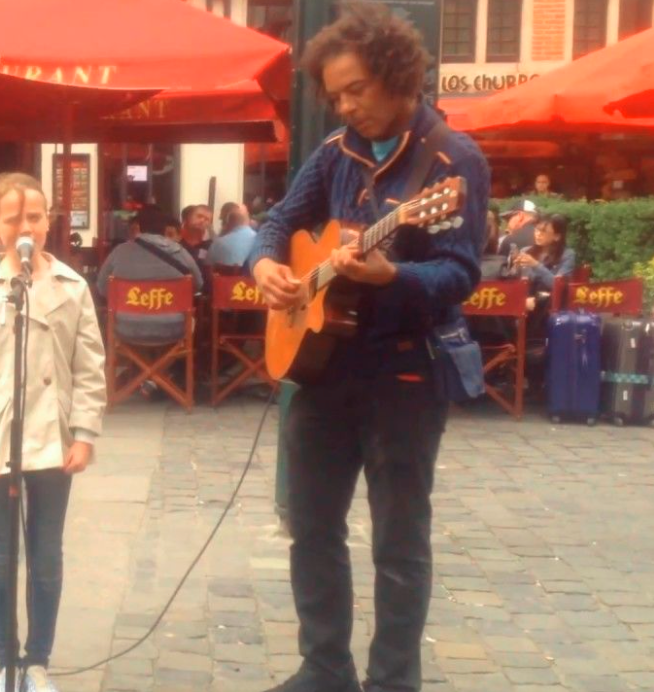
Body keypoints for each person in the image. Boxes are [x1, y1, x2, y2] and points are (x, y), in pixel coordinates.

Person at [248, 3, 488, 691]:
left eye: (357, 89)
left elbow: (459, 273)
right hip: (321, 373)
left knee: (398, 546)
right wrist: (265, 265)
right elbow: (279, 224)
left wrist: (394, 275)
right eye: (336, 95)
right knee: (312, 529)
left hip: (404, 376)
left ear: (396, 73)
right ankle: (324, 669)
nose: (347, 106)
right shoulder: (333, 154)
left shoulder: (452, 161)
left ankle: (391, 682)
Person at [0, 172, 105, 692]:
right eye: (13, 218)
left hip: (53, 436)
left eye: (34, 218)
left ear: (48, 222)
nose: (25, 227)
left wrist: (84, 433)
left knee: (45, 553)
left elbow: (89, 367)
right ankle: (3, 663)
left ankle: (38, 661)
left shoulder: (72, 286)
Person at [96, 212, 203, 343]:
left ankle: (136, 361)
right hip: (174, 328)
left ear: (140, 229)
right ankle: (165, 362)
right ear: (165, 230)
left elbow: (102, 288)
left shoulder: (120, 251)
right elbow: (198, 285)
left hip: (126, 327)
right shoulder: (181, 252)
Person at [514, 212, 575, 308]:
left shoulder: (567, 255)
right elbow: (519, 283)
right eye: (537, 230)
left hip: (551, 304)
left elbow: (558, 286)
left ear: (557, 236)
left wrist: (535, 265)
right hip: (526, 300)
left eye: (543, 232)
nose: (538, 235)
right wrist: (515, 268)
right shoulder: (526, 251)